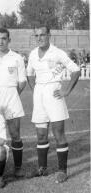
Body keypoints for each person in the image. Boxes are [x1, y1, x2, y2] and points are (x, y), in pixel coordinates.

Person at [27, 25, 81, 183]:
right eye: (36, 35)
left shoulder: (57, 53)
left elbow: (76, 70)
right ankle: (42, 168)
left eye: (42, 34)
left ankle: (62, 170)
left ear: (49, 35)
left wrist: (66, 91)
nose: (39, 38)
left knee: (58, 134)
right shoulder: (32, 54)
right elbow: (29, 73)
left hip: (54, 94)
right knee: (41, 134)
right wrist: (35, 90)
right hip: (39, 95)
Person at [0, 28, 26, 177]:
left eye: (4, 38)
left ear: (9, 40)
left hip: (11, 100)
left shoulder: (17, 58)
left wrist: (12, 94)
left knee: (15, 134)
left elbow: (22, 82)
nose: (1, 41)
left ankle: (18, 167)